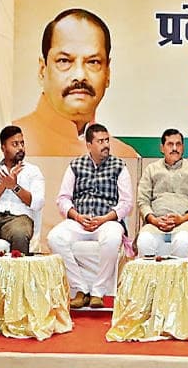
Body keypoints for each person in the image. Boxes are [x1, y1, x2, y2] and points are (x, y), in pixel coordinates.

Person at [13, 8, 137, 157]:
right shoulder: (8, 145)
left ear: (107, 73)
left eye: (93, 62)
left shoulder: (125, 156)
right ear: (42, 70)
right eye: (64, 61)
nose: (80, 75)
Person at [48, 123, 133, 309]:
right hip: (80, 221)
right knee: (54, 237)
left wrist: (105, 218)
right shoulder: (75, 166)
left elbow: (126, 203)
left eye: (107, 140)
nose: (106, 145)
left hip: (107, 221)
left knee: (112, 238)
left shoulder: (119, 166)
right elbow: (63, 199)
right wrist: (77, 216)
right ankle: (80, 289)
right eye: (100, 141)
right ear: (89, 145)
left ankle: (98, 292)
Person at [0, 126, 45, 254]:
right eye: (15, 144)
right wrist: (3, 185)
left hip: (20, 218)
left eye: (22, 143)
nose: (20, 148)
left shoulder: (33, 171)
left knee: (19, 234)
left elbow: (38, 202)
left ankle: (19, 268)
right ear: (3, 148)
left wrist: (14, 187)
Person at [136, 128, 188, 257]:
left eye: (178, 144)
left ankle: (179, 273)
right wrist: (154, 220)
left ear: (183, 147)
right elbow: (142, 201)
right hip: (155, 224)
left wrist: (182, 219)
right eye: (170, 144)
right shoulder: (151, 169)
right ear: (162, 148)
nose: (174, 148)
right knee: (144, 241)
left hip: (186, 224)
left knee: (182, 242)